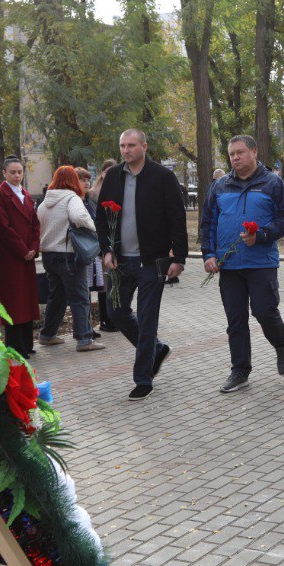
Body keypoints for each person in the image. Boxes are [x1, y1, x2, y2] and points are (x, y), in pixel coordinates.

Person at [200, 134, 284, 393]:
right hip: (229, 265)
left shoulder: (272, 183)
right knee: (235, 319)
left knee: (265, 312)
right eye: (232, 154)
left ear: (253, 152)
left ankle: (281, 341)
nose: (235, 158)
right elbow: (207, 222)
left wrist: (262, 235)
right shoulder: (220, 186)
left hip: (261, 261)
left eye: (240, 152)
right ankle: (240, 371)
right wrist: (209, 253)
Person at [97, 128, 188, 400]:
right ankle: (156, 350)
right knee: (116, 312)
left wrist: (179, 258)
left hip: (152, 262)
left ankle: (143, 379)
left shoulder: (162, 176)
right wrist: (106, 250)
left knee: (147, 320)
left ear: (144, 147)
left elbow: (176, 220)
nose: (126, 150)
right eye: (122, 146)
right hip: (120, 262)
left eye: (131, 145)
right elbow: (102, 219)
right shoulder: (113, 176)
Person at [36, 166, 103, 353]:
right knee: (79, 297)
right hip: (69, 256)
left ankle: (47, 335)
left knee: (57, 297)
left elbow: (38, 222)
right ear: (73, 180)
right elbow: (79, 217)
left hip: (49, 255)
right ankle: (84, 339)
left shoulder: (44, 202)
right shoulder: (71, 198)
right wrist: (95, 230)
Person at [0, 157, 42, 357]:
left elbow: (35, 224)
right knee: (13, 302)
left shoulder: (26, 195)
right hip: (11, 256)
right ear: (4, 173)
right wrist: (23, 250)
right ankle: (15, 347)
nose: (17, 176)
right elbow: (3, 227)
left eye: (19, 172)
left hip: (27, 255)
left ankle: (27, 344)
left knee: (27, 299)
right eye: (12, 172)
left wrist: (34, 247)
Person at [76, 167, 112, 332]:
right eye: (82, 179)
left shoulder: (85, 199)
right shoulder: (76, 200)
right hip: (83, 250)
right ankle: (86, 327)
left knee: (100, 285)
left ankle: (103, 321)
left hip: (94, 248)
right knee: (86, 290)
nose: (85, 183)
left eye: (87, 179)